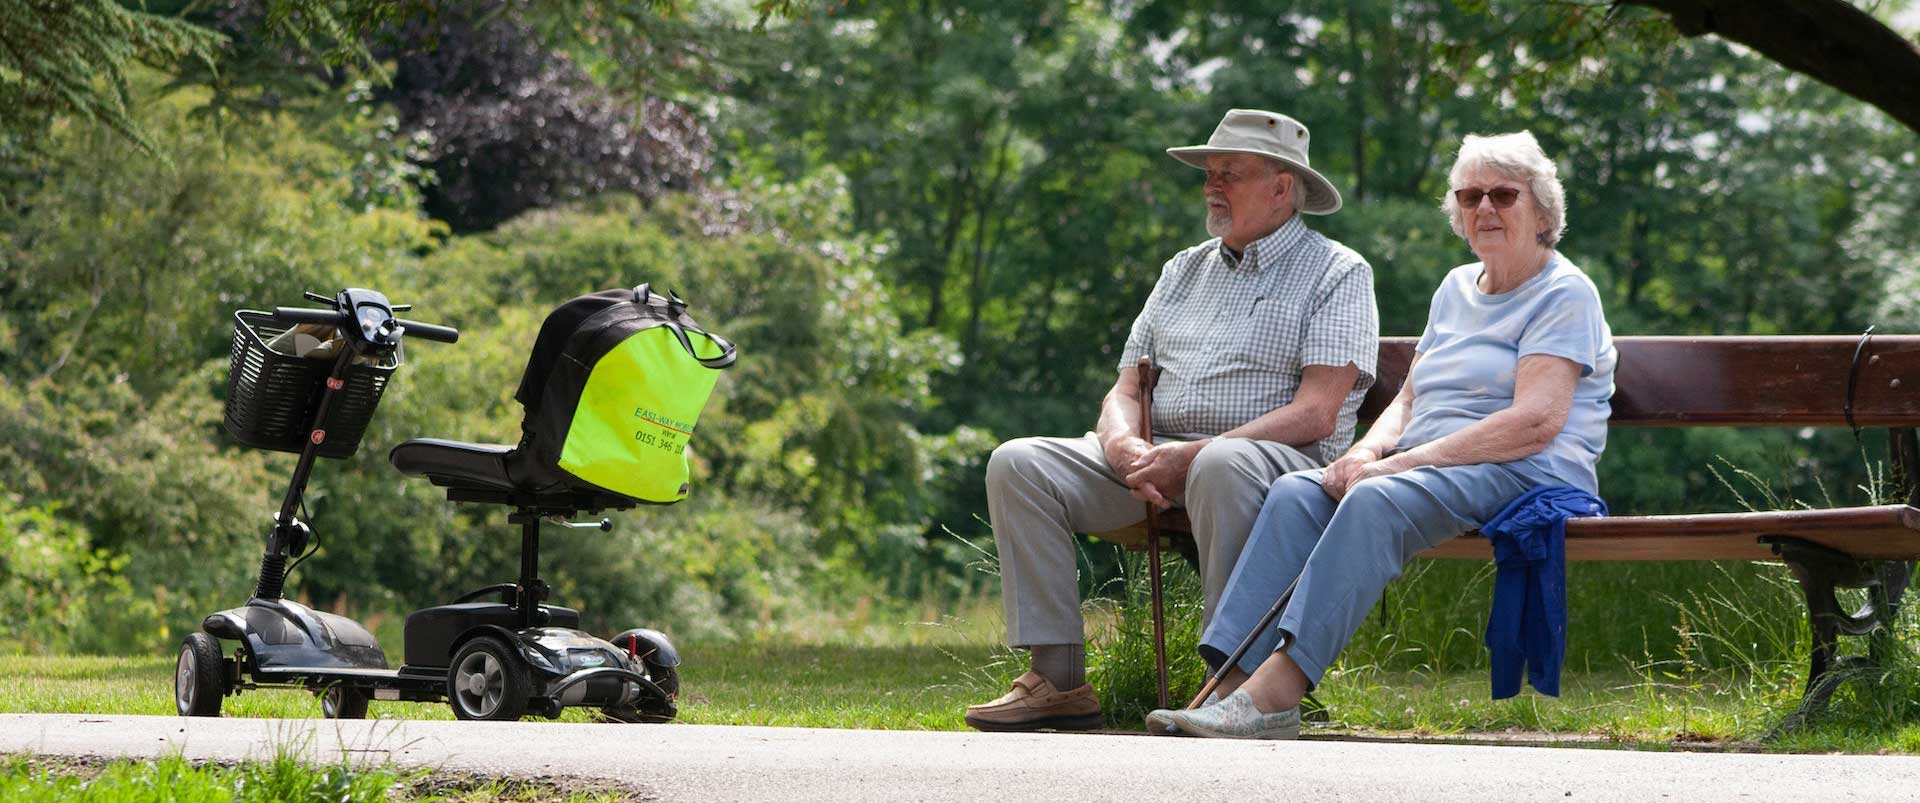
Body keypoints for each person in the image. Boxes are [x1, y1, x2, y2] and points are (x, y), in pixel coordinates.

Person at [1148, 131, 1616, 739]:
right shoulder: (1455, 288)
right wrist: (1367, 449)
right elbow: (1413, 395)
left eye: (1504, 195)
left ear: (1542, 212)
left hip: (1528, 469)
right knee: (1297, 492)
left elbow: (1535, 422)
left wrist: (1396, 466)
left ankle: (1276, 696)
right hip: (1438, 465)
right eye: (1469, 195)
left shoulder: (1563, 292)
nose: (1484, 209)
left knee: (1372, 497)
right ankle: (1230, 685)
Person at [964, 109, 1379, 732]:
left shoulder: (1338, 272)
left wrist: (1194, 452)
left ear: (1282, 186)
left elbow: (1317, 413)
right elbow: (1128, 385)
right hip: (1163, 462)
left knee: (1221, 461)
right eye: (1209, 174)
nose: (1213, 186)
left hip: (1274, 466)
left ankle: (1237, 684)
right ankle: (1058, 679)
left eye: (1230, 174)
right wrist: (1125, 443)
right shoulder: (1184, 268)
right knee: (1019, 462)